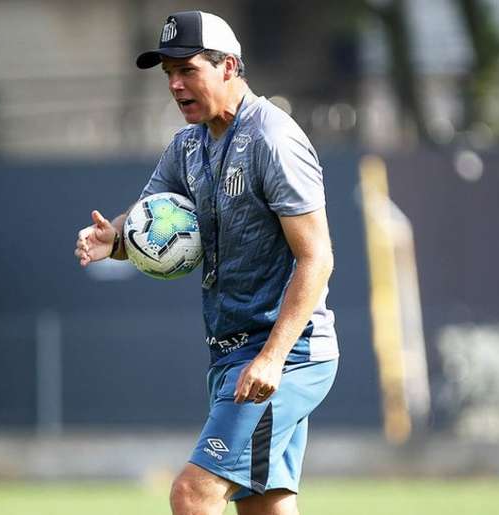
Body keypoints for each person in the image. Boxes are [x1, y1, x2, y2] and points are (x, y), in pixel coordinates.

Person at [74, 10, 338, 515]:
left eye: (187, 70)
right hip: (231, 359)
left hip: (288, 355)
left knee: (192, 494)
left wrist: (272, 358)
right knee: (265, 507)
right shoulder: (188, 146)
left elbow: (317, 258)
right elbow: (146, 219)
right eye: (168, 74)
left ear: (228, 66)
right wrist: (116, 237)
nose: (175, 85)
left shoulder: (272, 139)